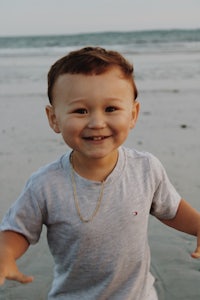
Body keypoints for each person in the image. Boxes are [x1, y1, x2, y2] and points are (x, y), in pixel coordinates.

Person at [0, 47, 200, 300]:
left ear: (133, 114)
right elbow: (18, 229)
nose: (96, 122)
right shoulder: (45, 184)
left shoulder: (146, 168)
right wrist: (5, 256)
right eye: (81, 111)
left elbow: (171, 209)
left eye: (111, 109)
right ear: (54, 119)